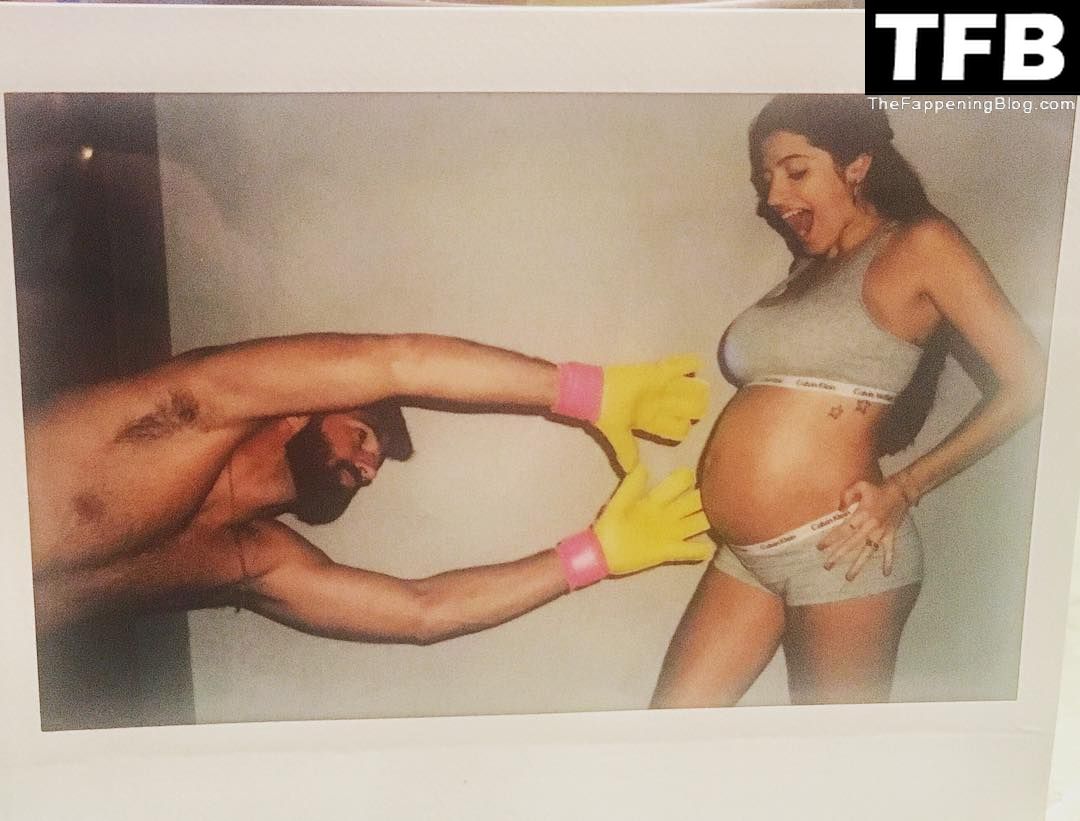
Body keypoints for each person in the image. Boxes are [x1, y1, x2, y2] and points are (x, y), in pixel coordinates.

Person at [651, 94, 1047, 707]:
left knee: (836, 755)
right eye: (766, 178)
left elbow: (1032, 380)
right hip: (744, 557)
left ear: (857, 165)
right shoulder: (806, 270)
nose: (774, 196)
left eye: (795, 171)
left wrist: (905, 488)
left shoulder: (921, 243)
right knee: (667, 729)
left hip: (841, 554)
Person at [27, 332, 711, 642]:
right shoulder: (189, 409)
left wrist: (597, 553)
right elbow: (395, 361)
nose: (367, 467)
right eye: (361, 434)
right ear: (299, 410)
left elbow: (422, 612)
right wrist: (589, 391)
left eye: (373, 461)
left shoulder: (256, 558)